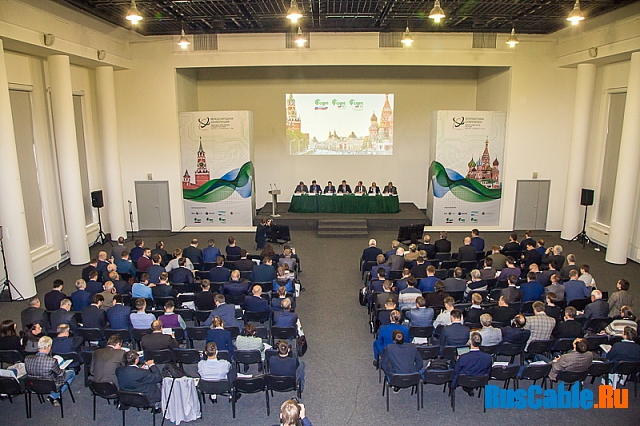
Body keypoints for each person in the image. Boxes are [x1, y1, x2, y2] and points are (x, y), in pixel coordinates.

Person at [25, 336, 76, 405]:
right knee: (71, 373)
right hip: (50, 385)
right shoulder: (52, 361)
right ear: (49, 347)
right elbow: (60, 374)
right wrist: (63, 370)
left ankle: (54, 396)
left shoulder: (27, 358)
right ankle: (54, 395)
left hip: (34, 385)